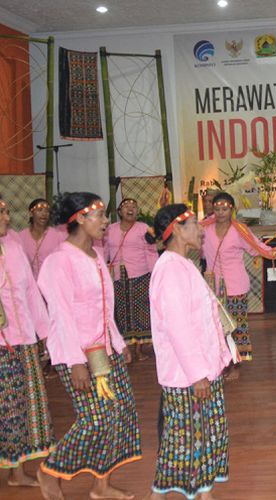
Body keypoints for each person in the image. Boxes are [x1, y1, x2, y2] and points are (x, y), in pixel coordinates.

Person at [36, 192, 141, 500]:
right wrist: (75, 362)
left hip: (105, 350)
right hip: (78, 354)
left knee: (119, 413)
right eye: (100, 215)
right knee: (95, 419)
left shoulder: (96, 255)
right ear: (80, 218)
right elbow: (63, 316)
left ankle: (101, 486)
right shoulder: (58, 261)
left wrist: (118, 343)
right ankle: (49, 470)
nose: (106, 221)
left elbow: (105, 308)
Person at [147, 204, 231, 499]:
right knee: (184, 443)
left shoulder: (182, 263)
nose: (201, 229)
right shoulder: (170, 269)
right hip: (187, 376)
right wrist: (198, 375)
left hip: (199, 369)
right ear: (178, 231)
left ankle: (202, 493)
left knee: (197, 440)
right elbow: (179, 328)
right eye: (195, 223)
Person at [0, 196, 56, 489]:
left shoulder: (12, 244)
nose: (8, 218)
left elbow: (31, 292)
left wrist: (44, 333)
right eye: (1, 213)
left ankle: (16, 471)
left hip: (23, 341)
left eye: (7, 211)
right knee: (7, 408)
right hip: (2, 344)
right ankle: (13, 471)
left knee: (24, 406)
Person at [202, 192, 276, 378]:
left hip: (235, 284)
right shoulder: (203, 228)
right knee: (216, 325)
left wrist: (273, 251)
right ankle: (223, 360)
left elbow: (256, 246)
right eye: (217, 208)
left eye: (225, 209)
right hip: (212, 285)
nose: (220, 212)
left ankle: (236, 363)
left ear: (232, 210)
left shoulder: (240, 230)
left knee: (235, 324)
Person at [105, 198, 158, 361]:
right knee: (120, 311)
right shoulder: (109, 229)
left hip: (140, 275)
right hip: (117, 277)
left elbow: (151, 251)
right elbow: (104, 251)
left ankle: (141, 348)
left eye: (134, 207)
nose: (130, 209)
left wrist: (154, 274)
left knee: (141, 311)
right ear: (119, 212)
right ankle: (125, 347)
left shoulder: (143, 228)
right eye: (126, 206)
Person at [17, 199, 66, 278]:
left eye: (47, 211)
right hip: (28, 286)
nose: (44, 214)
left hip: (52, 284)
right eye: (40, 210)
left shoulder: (58, 236)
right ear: (31, 213)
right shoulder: (20, 237)